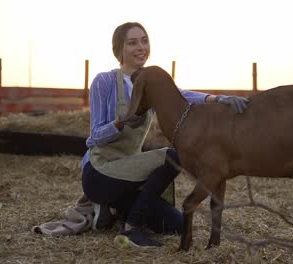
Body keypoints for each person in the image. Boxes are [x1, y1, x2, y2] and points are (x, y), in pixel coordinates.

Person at [81, 21, 249, 248]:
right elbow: (94, 137)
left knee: (177, 225)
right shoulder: (104, 81)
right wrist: (120, 123)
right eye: (132, 43)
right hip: (101, 171)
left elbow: (182, 95)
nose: (141, 47)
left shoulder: (150, 82)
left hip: (131, 172)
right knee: (172, 155)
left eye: (144, 40)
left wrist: (218, 99)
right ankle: (131, 227)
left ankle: (111, 208)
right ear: (119, 49)